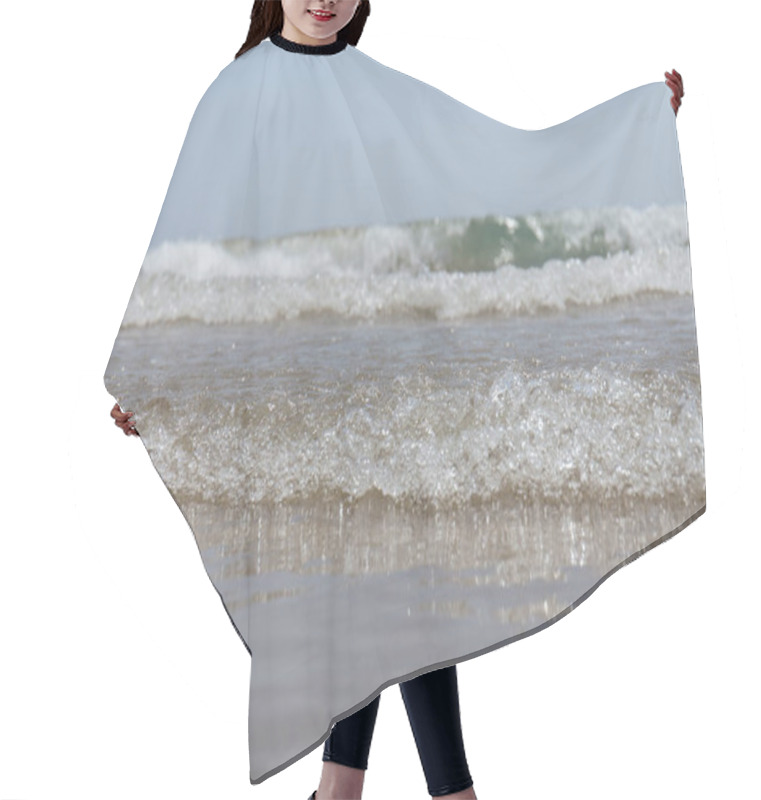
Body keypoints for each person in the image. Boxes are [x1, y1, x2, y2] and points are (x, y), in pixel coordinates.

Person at [110, 2, 685, 798]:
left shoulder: (377, 89)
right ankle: (430, 791)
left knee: (404, 580)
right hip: (301, 397)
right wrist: (154, 374)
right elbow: (193, 244)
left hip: (390, 389)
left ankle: (348, 789)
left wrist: (635, 127)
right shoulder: (237, 94)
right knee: (375, 585)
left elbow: (489, 172)